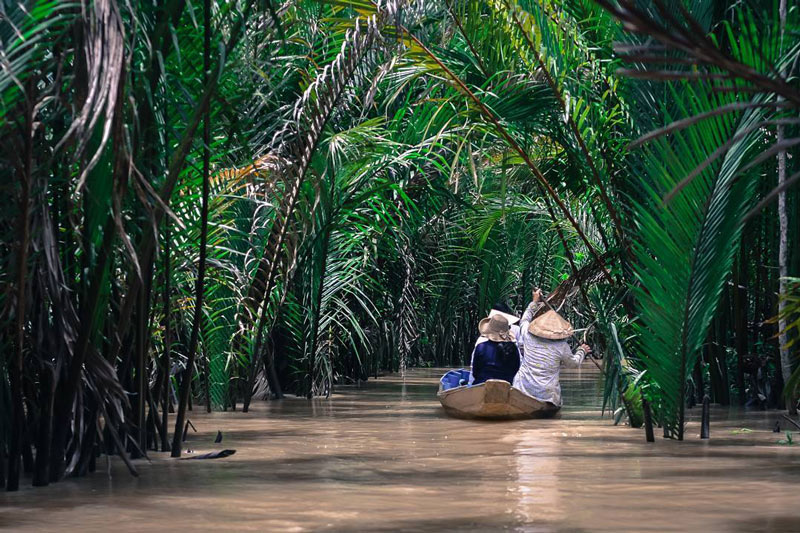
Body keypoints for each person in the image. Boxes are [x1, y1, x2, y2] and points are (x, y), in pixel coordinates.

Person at [513, 288, 591, 407]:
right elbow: (573, 364)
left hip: (522, 389)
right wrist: (582, 351)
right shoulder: (562, 346)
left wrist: (534, 302)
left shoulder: (528, 336)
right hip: (547, 395)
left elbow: (525, 319)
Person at [468, 302, 522, 384]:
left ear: (489, 330)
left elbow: (475, 372)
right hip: (506, 387)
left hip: (481, 386)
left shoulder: (481, 347)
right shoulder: (513, 347)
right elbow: (516, 369)